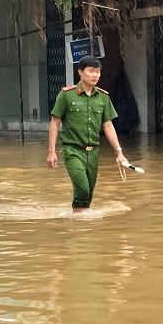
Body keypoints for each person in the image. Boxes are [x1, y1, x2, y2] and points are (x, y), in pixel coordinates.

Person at [47, 55, 128, 212]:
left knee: (88, 193)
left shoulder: (103, 97)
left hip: (93, 152)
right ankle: (80, 219)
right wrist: (51, 152)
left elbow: (108, 125)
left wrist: (119, 152)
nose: (95, 75)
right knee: (82, 188)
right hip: (72, 150)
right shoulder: (66, 95)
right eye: (91, 71)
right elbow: (55, 122)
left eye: (98, 72)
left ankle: (80, 221)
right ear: (80, 72)